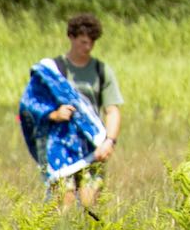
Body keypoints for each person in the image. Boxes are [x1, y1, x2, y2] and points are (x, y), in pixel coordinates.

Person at [18, 13, 122, 211]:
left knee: (90, 204)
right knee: (63, 203)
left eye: (92, 42)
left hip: (92, 146)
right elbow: (29, 105)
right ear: (71, 37)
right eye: (83, 42)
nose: (88, 47)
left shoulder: (102, 71)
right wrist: (54, 114)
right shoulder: (52, 70)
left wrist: (110, 141)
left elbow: (112, 110)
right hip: (59, 145)